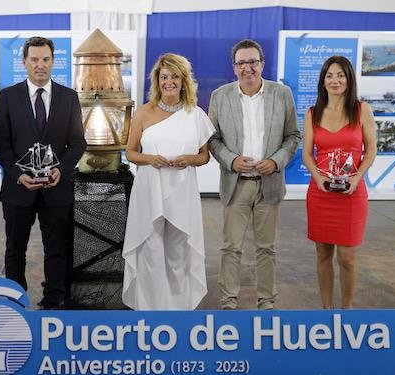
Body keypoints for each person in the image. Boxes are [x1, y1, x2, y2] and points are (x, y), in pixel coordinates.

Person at [0, 36, 86, 310]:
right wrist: (16, 174)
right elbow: (1, 142)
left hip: (57, 190)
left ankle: (53, 301)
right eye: (34, 60)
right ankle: (15, 302)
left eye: (45, 59)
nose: (40, 65)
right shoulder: (8, 96)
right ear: (24, 62)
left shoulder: (69, 97)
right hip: (18, 190)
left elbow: (78, 142)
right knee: (14, 251)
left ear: (53, 62)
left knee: (57, 250)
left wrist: (62, 170)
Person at [208, 39, 300, 310]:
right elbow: (213, 139)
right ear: (234, 67)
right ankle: (228, 303)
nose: (247, 68)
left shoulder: (281, 94)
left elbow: (292, 136)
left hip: (269, 183)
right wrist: (231, 160)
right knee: (230, 248)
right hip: (236, 184)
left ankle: (267, 303)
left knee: (266, 248)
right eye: (241, 63)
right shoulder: (220, 96)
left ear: (262, 64)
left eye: (252, 62)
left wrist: (276, 161)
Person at [121, 53, 214, 311]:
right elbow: (130, 152)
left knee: (177, 251)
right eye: (164, 77)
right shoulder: (143, 113)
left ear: (183, 81)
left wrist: (188, 159)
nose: (169, 82)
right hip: (149, 189)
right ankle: (151, 309)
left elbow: (204, 156)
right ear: (157, 81)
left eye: (174, 77)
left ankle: (177, 310)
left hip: (181, 191)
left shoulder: (195, 115)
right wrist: (151, 159)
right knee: (150, 249)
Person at [302, 56, 377, 309]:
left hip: (352, 193)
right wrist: (317, 176)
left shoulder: (361, 109)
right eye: (330, 76)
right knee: (323, 253)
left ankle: (346, 311)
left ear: (349, 79)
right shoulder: (313, 113)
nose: (335, 80)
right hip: (320, 193)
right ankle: (327, 310)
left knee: (347, 258)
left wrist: (357, 177)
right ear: (323, 81)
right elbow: (306, 154)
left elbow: (371, 150)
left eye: (341, 75)